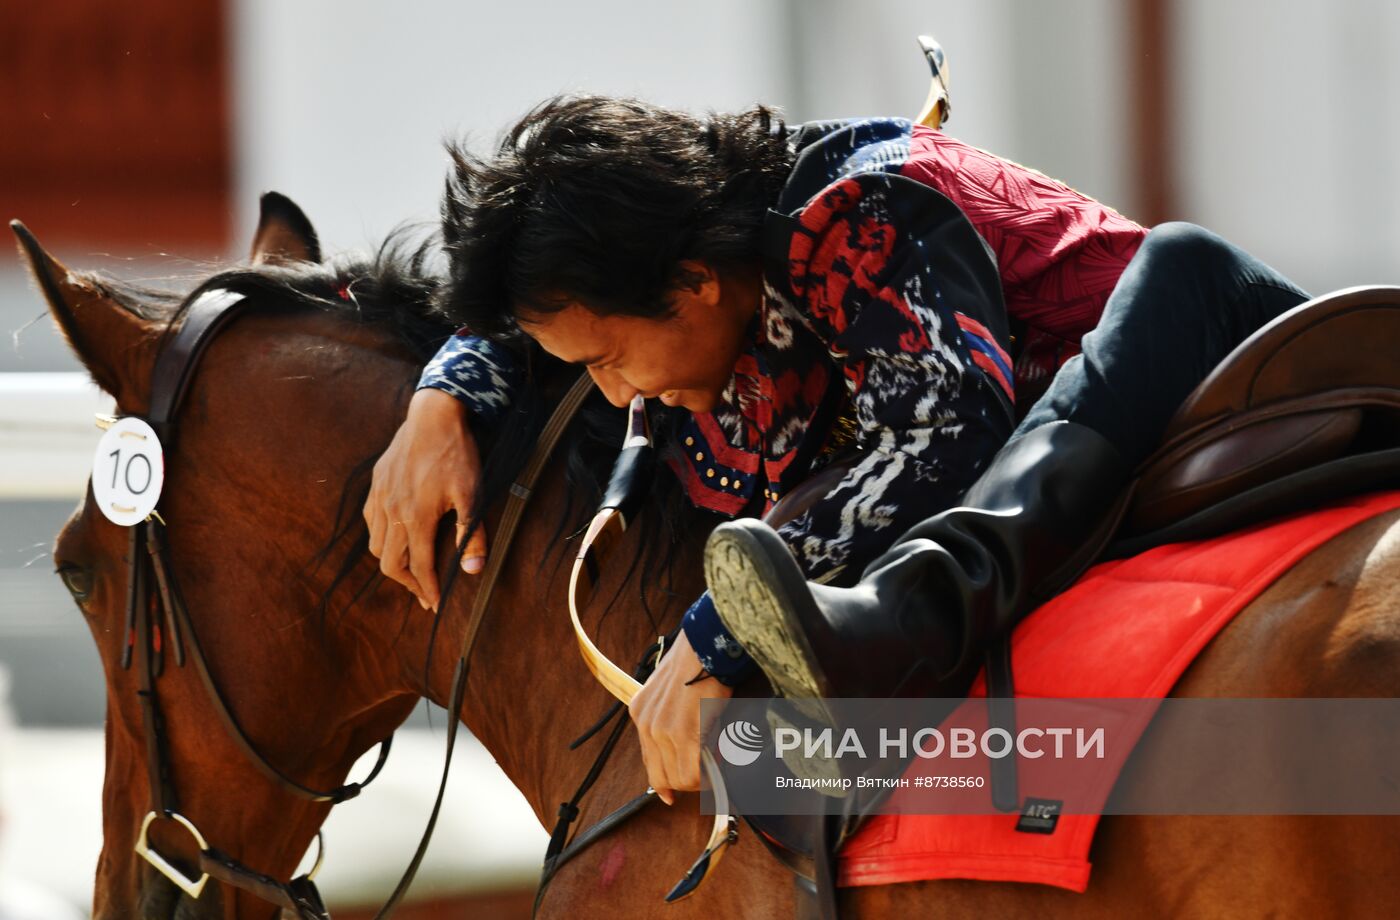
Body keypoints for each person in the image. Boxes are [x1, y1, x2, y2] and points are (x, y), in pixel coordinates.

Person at [363, 96, 1308, 802]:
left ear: (692, 283)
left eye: (608, 361)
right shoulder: (688, 264)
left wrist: (717, 629)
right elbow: (535, 314)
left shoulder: (847, 207)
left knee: (1172, 264)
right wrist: (440, 402)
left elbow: (939, 434)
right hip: (1064, 458)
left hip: (1206, 335)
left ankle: (881, 629)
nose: (610, 394)